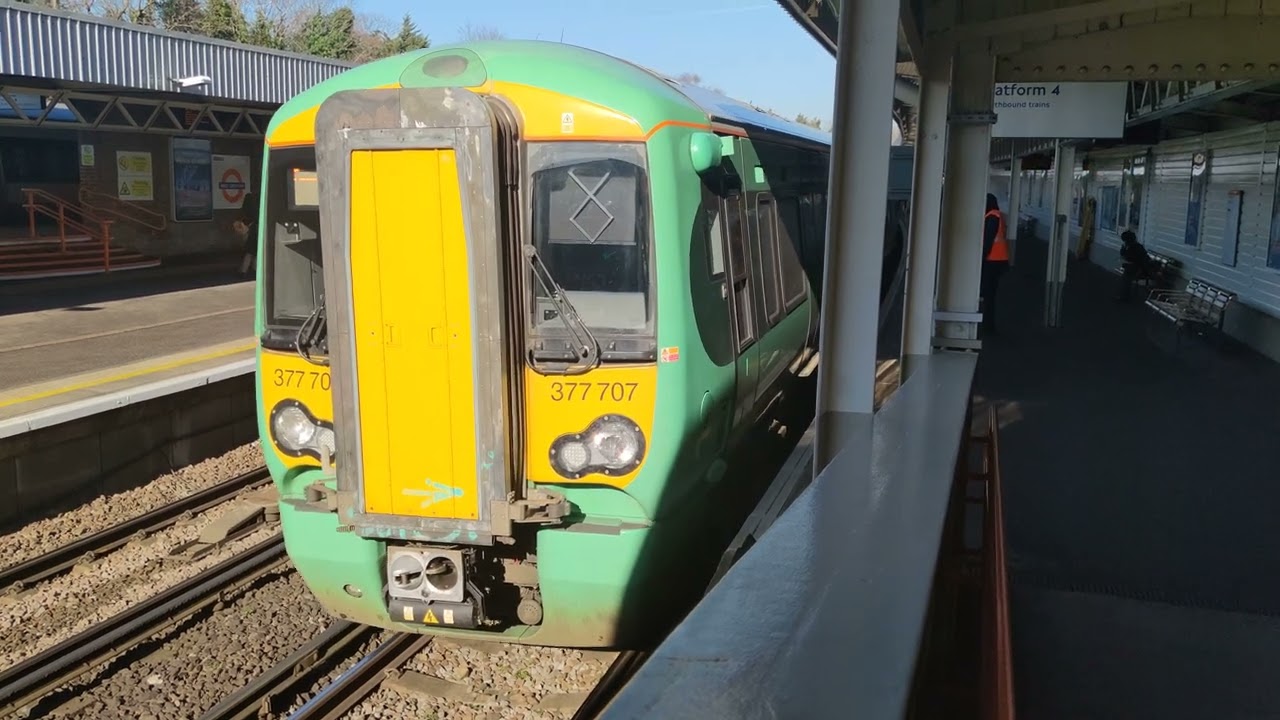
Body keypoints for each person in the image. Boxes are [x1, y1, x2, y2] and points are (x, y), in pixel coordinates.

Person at [980, 193, 1011, 334]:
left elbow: (987, 240)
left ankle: (988, 325)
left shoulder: (992, 217)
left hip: (992, 260)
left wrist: (981, 257)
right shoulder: (999, 215)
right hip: (999, 260)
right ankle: (988, 324)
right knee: (990, 293)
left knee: (988, 294)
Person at [1115, 229, 1155, 301]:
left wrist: (1126, 257)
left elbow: (1137, 260)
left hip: (1140, 268)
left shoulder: (1137, 247)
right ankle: (1124, 295)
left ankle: (1124, 297)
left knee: (1127, 277)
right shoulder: (1128, 246)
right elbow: (1123, 255)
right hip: (1132, 267)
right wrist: (1124, 248)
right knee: (1126, 274)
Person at [235, 191, 259, 278]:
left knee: (249, 252)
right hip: (255, 230)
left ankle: (244, 270)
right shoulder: (257, 207)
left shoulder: (245, 208)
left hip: (247, 230)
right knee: (253, 252)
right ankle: (249, 270)